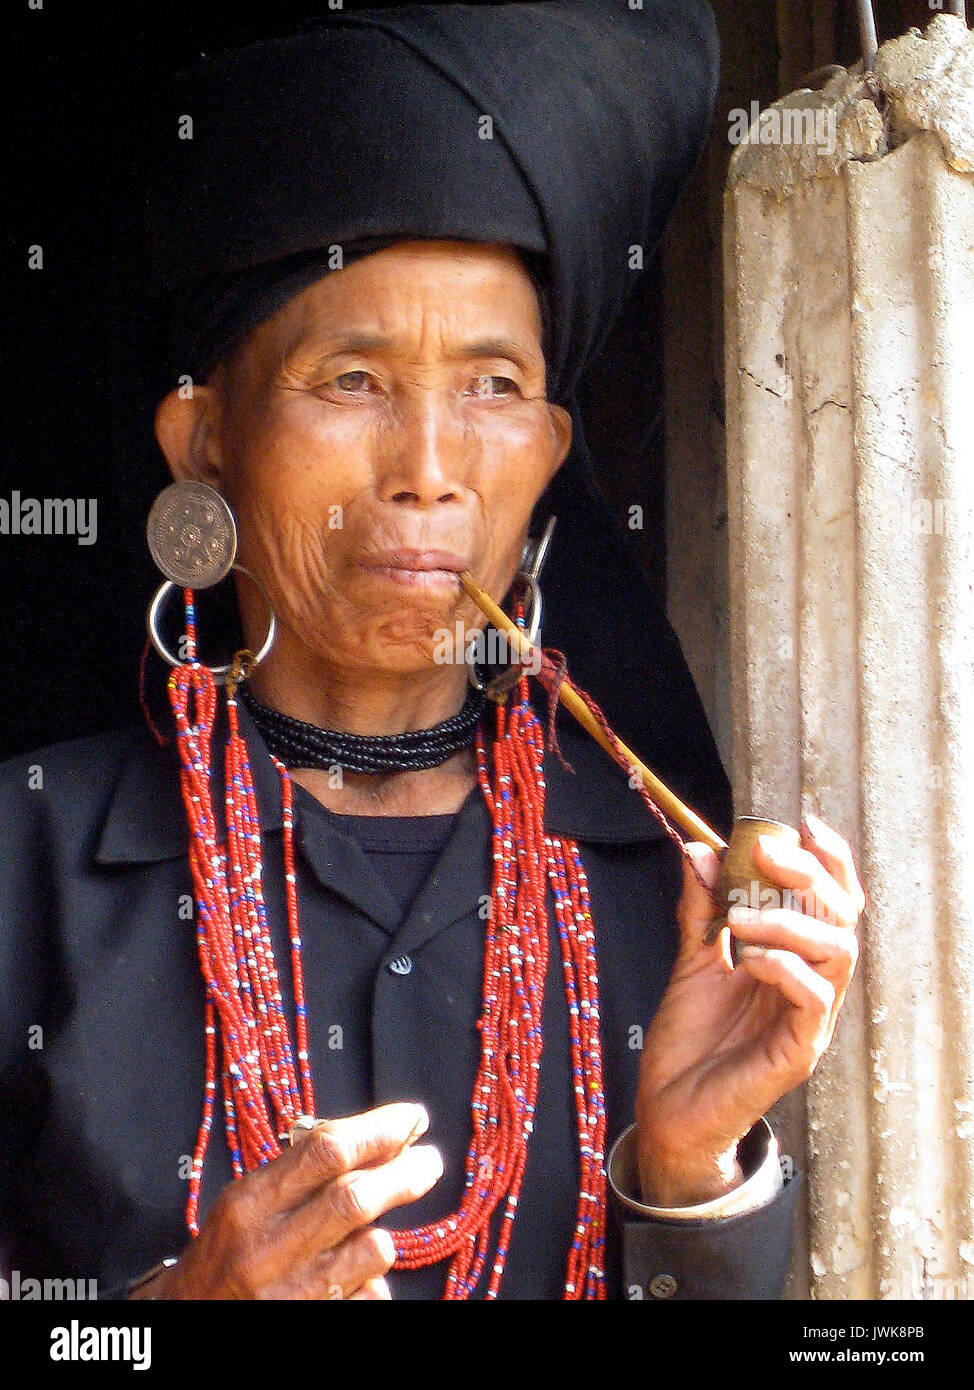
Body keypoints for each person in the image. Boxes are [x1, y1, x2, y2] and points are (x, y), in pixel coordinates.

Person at [0, 2, 862, 1301]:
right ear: (202, 440)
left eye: (491, 386)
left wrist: (687, 1172)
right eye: (351, 379)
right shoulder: (33, 861)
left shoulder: (665, 894)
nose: (426, 469)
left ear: (550, 456)